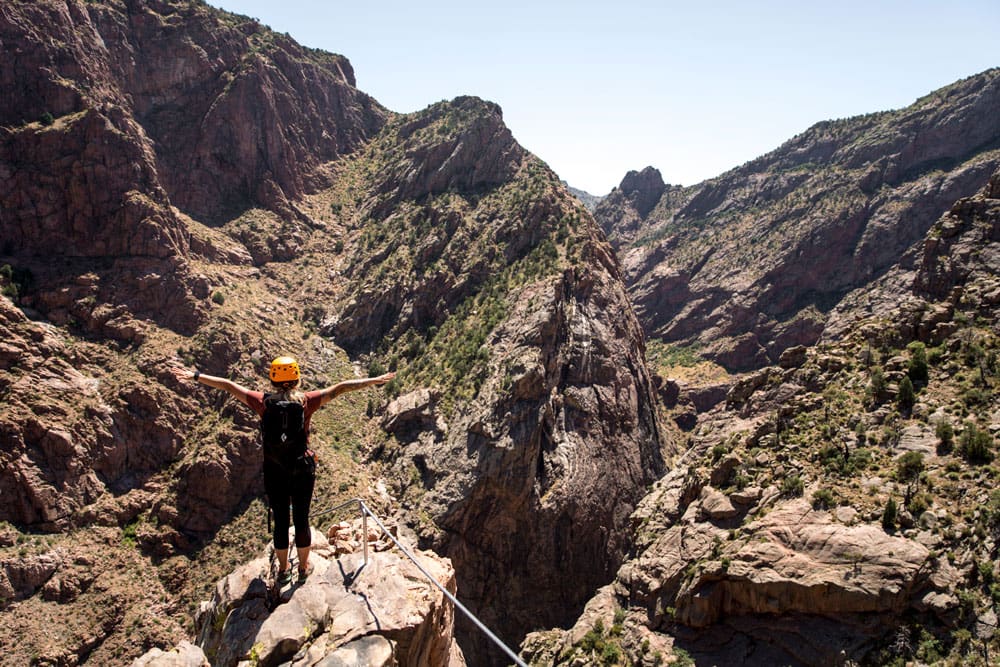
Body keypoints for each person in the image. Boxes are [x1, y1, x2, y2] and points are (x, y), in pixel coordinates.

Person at [171, 356, 395, 584]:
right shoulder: (307, 401)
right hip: (302, 469)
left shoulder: (262, 402)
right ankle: (303, 568)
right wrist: (374, 380)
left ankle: (283, 571)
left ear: (272, 379)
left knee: (280, 520)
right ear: (297, 378)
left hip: (275, 470)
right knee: (301, 519)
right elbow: (340, 388)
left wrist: (196, 376)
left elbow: (228, 385)